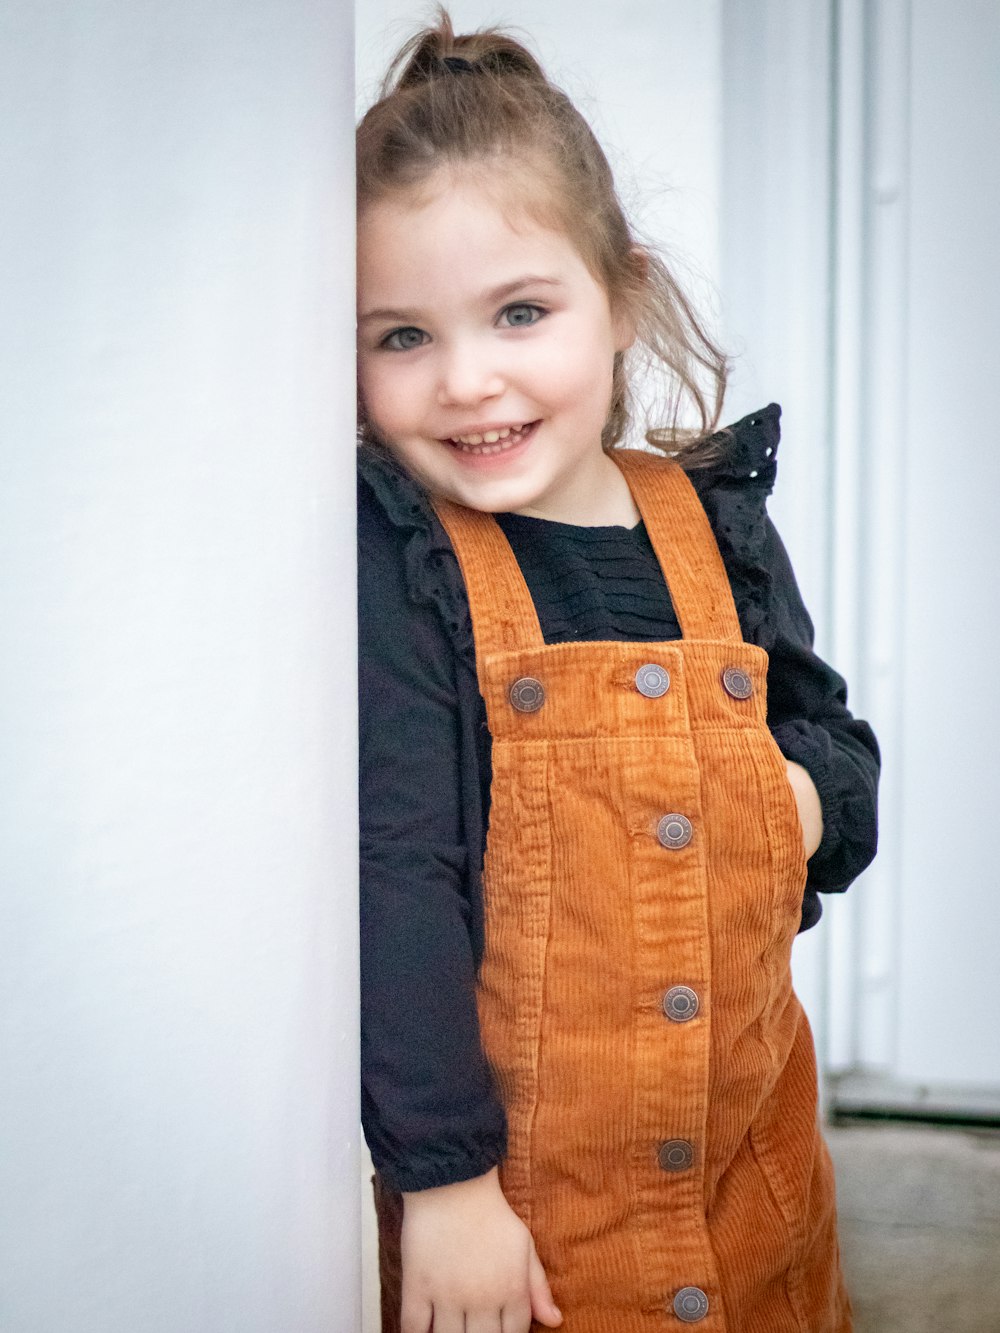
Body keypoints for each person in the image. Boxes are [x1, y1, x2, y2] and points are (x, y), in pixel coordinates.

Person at [356, 13, 879, 1333]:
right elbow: (397, 875)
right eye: (400, 336)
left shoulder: (716, 522)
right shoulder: (407, 561)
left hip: (754, 1189)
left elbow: (836, 755)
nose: (469, 380)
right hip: (535, 1236)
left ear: (621, 296)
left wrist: (791, 804)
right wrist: (448, 1184)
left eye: (520, 312)